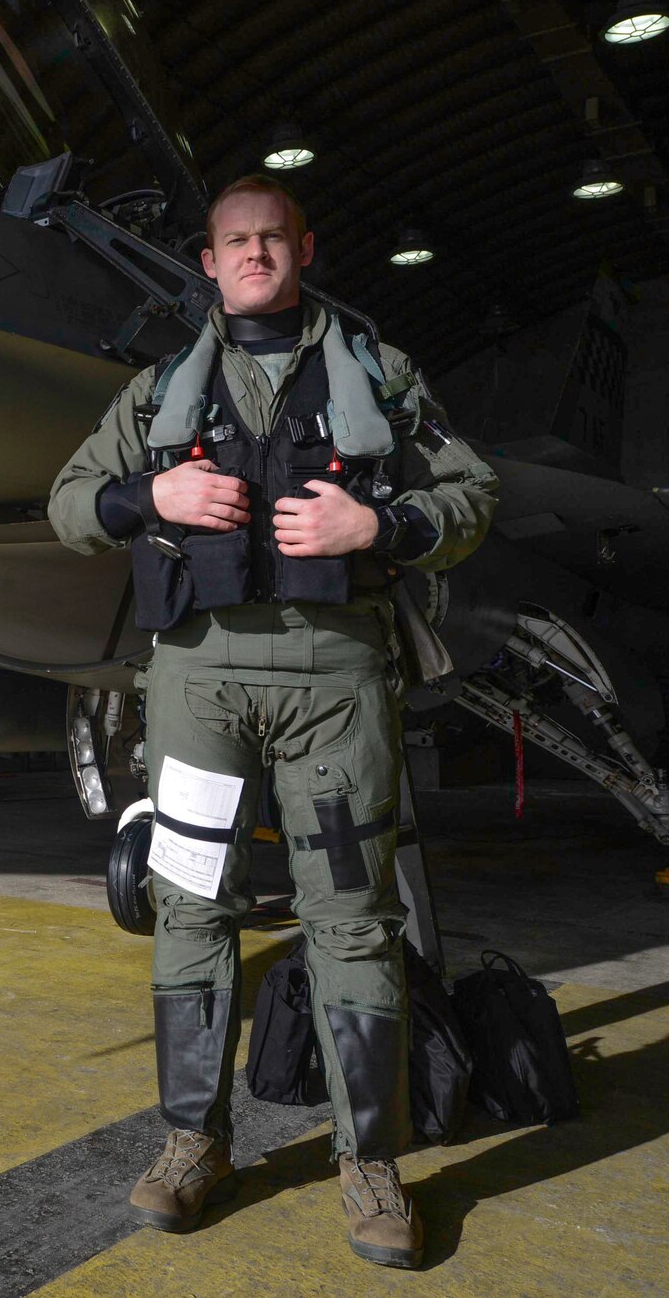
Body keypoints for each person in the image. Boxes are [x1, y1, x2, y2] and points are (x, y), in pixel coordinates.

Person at [48, 175, 497, 1269]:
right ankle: (191, 1141)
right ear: (208, 262)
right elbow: (68, 505)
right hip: (198, 683)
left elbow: (472, 493)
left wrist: (378, 524)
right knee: (190, 906)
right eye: (234, 241)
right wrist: (147, 500)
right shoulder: (159, 390)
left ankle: (368, 1160)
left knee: (352, 918)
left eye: (272, 238)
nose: (254, 253)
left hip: (334, 680)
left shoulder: (381, 377)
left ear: (305, 248)